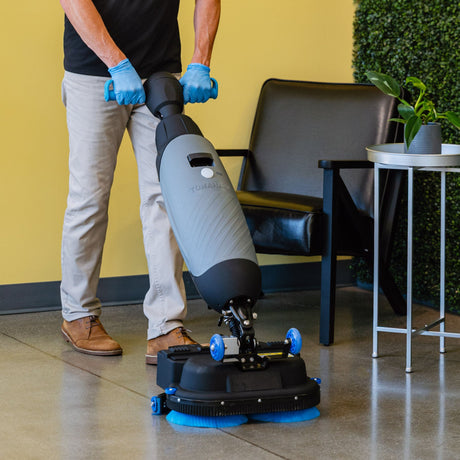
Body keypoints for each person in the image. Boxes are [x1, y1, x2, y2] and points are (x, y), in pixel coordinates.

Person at [59, 0, 221, 364]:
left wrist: (200, 60)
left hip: (160, 73)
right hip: (96, 73)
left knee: (166, 199)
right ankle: (78, 314)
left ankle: (166, 325)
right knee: (89, 198)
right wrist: (116, 62)